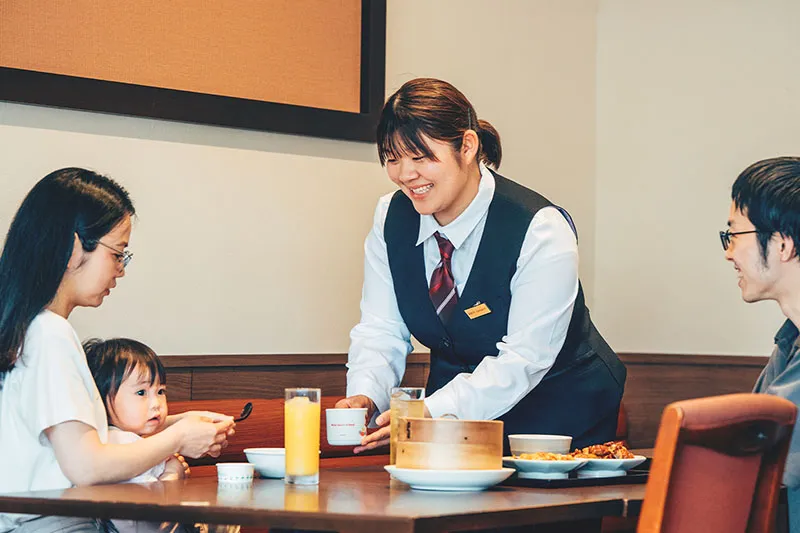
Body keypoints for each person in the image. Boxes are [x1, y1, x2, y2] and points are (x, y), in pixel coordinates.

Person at [336, 78, 627, 453]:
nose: (405, 174)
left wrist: (430, 410)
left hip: (559, 413)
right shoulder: (390, 218)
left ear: (468, 146)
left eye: (420, 157)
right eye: (393, 159)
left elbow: (526, 357)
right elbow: (382, 329)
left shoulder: (539, 227)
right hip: (453, 421)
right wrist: (365, 394)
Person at [0, 168, 234, 533]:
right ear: (74, 248)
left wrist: (179, 423)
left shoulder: (29, 329)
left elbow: (75, 442)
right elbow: (86, 465)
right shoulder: (49, 334)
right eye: (118, 253)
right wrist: (178, 438)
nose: (121, 270)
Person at [84, 338, 240, 533]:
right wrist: (174, 473)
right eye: (141, 392)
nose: (156, 403)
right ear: (101, 398)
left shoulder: (121, 439)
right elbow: (153, 507)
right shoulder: (121, 442)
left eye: (160, 391)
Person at [723, 156, 800, 532]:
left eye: (734, 235)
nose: (728, 252)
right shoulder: (790, 340)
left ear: (783, 244)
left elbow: (762, 458)